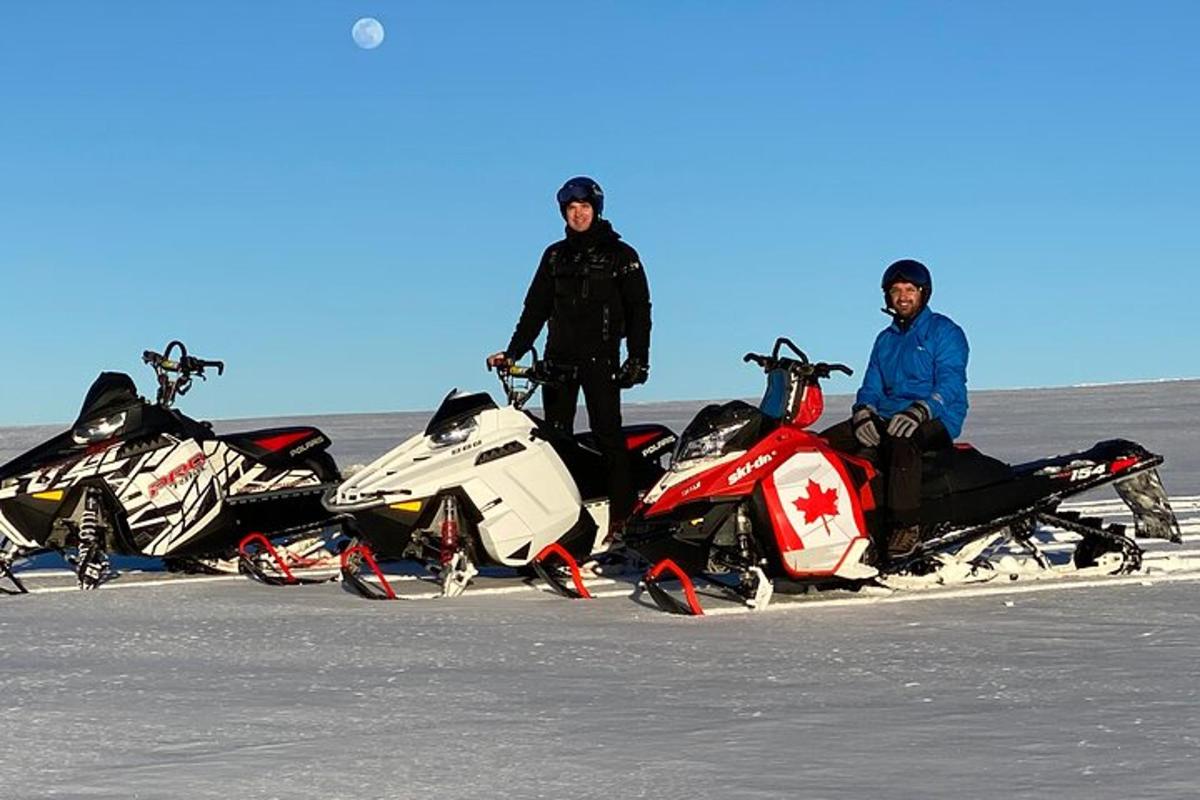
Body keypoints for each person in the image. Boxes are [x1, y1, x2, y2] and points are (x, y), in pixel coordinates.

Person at [486, 176, 652, 533]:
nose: (578, 215)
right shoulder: (554, 256)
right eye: (571, 209)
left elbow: (640, 311)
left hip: (601, 360)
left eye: (584, 208)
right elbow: (535, 309)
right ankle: (562, 525)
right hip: (558, 361)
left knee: (608, 437)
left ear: (597, 210)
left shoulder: (621, 256)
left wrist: (638, 358)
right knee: (555, 442)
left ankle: (623, 524)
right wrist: (513, 352)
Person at [823, 259, 969, 561]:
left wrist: (921, 410)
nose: (902, 297)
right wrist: (863, 411)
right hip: (887, 414)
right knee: (824, 446)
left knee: (902, 444)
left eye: (910, 289)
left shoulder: (944, 331)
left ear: (923, 293)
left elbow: (951, 383)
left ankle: (906, 527)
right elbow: (871, 386)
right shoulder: (885, 340)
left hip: (937, 417)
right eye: (895, 290)